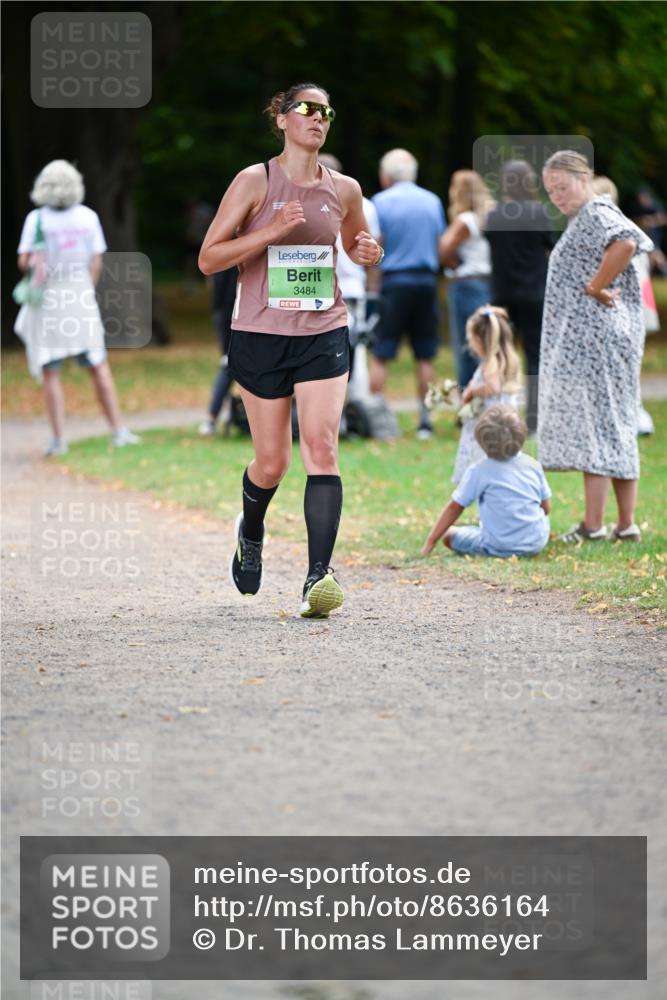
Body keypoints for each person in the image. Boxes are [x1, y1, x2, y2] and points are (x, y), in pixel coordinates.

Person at [198, 82, 382, 617]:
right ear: (281, 119)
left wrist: (367, 250)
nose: (317, 118)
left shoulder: (344, 188)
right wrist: (271, 231)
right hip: (259, 335)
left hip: (323, 330)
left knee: (322, 449)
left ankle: (317, 579)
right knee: (273, 463)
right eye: (305, 108)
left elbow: (355, 242)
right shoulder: (255, 181)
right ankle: (250, 530)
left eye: (326, 110)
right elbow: (210, 258)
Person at [539, 150, 653, 544]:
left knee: (597, 427)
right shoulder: (590, 214)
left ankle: (593, 525)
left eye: (563, 186)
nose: (557, 196)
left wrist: (595, 286)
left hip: (595, 343)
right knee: (616, 423)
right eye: (551, 190)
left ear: (584, 179)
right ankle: (626, 523)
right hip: (604, 341)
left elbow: (627, 242)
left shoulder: (596, 213)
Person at [14, 159, 140, 457]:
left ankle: (58, 439)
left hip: (48, 299)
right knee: (98, 364)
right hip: (80, 295)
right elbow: (96, 262)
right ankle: (118, 430)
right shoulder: (87, 217)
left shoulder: (37, 219)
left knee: (50, 369)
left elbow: (24, 263)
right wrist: (85, 289)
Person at [370, 149, 446, 439]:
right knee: (425, 355)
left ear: (386, 175)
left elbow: (375, 245)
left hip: (394, 283)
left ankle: (376, 418)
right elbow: (439, 243)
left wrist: (373, 284)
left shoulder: (381, 202)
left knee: (382, 352)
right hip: (426, 282)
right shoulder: (432, 201)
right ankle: (426, 422)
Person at [421, 405, 551, 558]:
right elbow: (546, 508)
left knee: (449, 535)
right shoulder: (532, 465)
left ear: (482, 440)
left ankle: (499, 541)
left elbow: (455, 507)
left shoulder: (479, 470)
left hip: (498, 545)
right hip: (536, 542)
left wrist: (430, 542)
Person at [485, 160, 556, 434]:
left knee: (500, 354)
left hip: (502, 293)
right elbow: (549, 246)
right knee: (535, 356)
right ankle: (535, 419)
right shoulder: (539, 213)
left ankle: (502, 415)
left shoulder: (495, 215)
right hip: (535, 292)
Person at [591, 175, 657, 437]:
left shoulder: (611, 231)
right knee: (627, 365)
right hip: (632, 305)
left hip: (620, 305)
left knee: (620, 365)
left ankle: (631, 416)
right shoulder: (626, 227)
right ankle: (632, 415)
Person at [451, 305, 522, 484]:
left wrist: (471, 392)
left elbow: (493, 387)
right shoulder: (506, 361)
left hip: (489, 428)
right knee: (501, 472)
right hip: (505, 427)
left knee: (484, 472)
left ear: (477, 339)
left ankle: (488, 507)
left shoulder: (490, 363)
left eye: (470, 338)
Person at [440, 169, 494, 392]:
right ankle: (486, 393)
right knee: (485, 342)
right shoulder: (489, 217)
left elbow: (443, 249)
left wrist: (454, 264)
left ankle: (468, 397)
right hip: (487, 283)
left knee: (465, 344)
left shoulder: (465, 220)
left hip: (466, 284)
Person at [199, 266, 238, 435]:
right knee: (228, 364)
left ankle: (212, 417)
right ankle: (212, 417)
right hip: (229, 311)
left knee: (229, 364)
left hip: (226, 310)